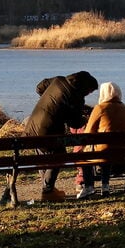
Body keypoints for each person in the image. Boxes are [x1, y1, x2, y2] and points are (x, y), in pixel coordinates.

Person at [23, 70, 99, 200]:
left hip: (32, 125)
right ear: (85, 86)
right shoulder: (77, 97)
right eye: (90, 91)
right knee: (60, 156)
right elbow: (74, 123)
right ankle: (47, 191)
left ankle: (48, 189)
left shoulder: (58, 80)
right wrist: (85, 119)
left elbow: (39, 87)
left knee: (44, 157)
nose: (88, 94)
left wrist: (48, 99)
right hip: (49, 131)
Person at [76, 81, 125, 199]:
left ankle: (88, 186)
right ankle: (105, 186)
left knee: (84, 154)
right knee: (107, 148)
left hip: (104, 152)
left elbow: (88, 133)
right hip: (123, 152)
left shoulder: (100, 108)